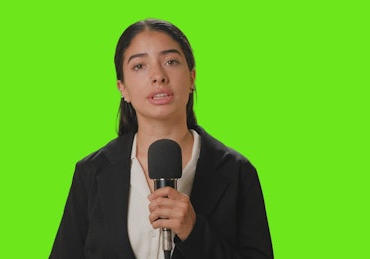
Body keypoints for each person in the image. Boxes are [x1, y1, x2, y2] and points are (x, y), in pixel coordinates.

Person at [49, 19, 273, 259]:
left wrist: (194, 231)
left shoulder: (237, 171)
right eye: (139, 66)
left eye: (170, 61)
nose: (158, 75)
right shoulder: (91, 172)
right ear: (122, 87)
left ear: (192, 78)